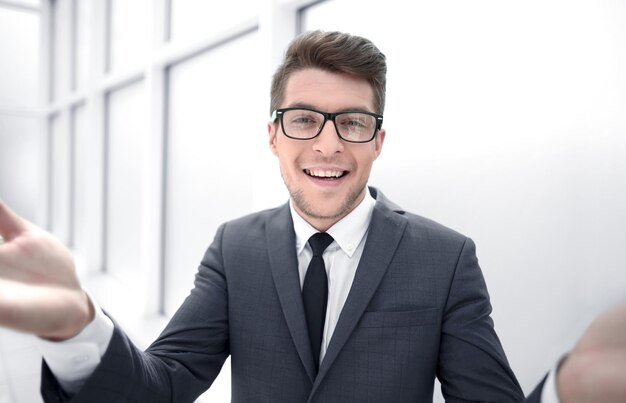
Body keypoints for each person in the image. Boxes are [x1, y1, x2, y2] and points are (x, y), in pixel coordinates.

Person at [0, 30, 624, 403]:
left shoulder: (445, 258)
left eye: (352, 122)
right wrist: (77, 326)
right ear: (273, 136)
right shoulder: (235, 247)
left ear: (379, 140)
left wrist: (568, 392)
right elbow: (161, 387)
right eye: (304, 119)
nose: (328, 145)